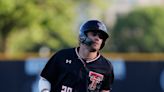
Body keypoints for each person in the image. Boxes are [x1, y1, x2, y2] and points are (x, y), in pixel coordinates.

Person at [38, 20, 114, 92]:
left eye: (101, 37)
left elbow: (105, 89)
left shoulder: (106, 66)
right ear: (83, 35)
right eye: (94, 34)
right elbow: (45, 79)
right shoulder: (62, 56)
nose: (97, 38)